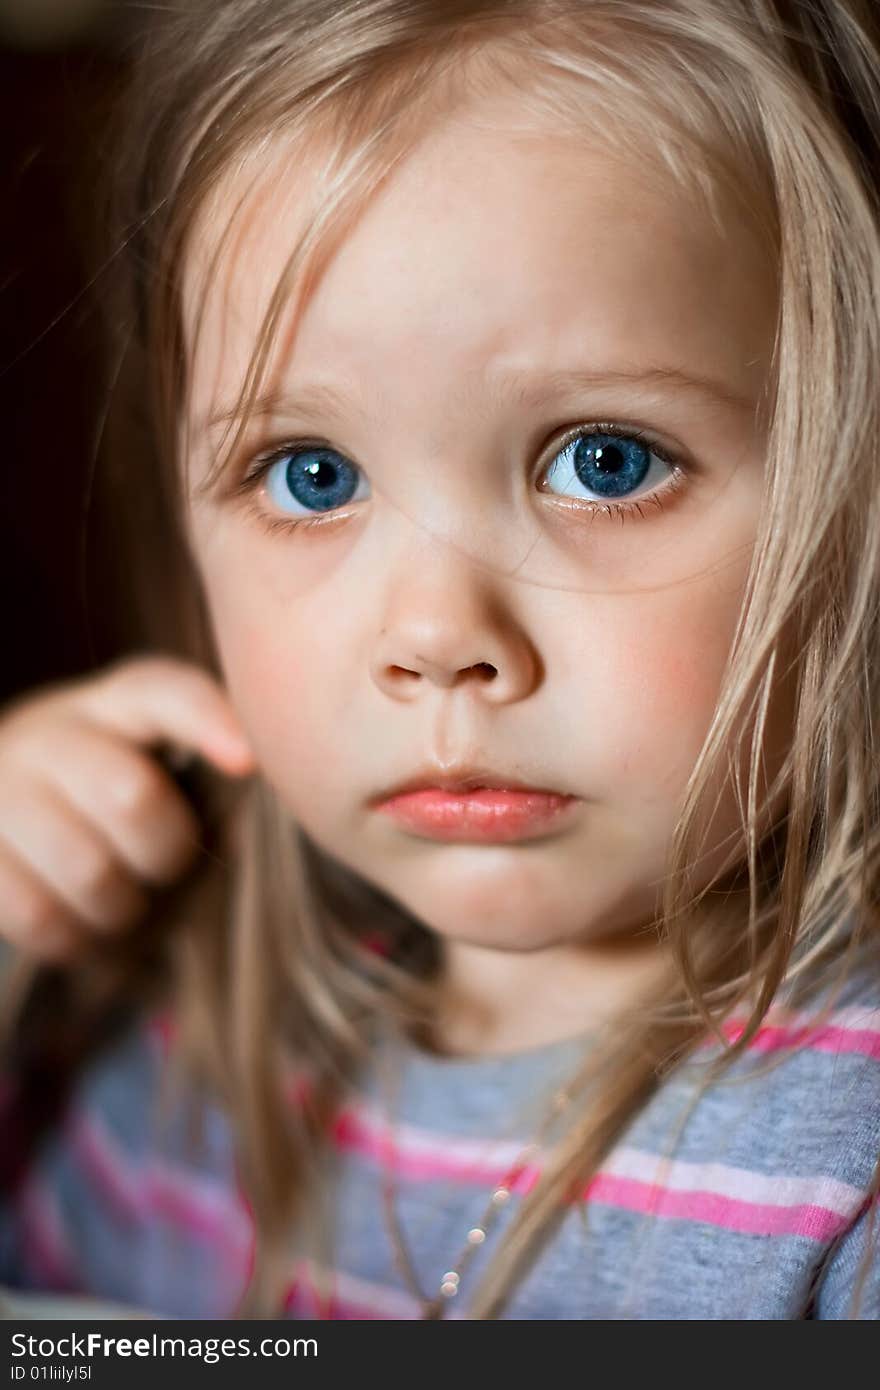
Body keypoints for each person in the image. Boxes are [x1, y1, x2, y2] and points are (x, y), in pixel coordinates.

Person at [0, 0, 879, 1320]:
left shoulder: (844, 1173)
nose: (435, 639)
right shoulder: (165, 1073)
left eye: (606, 461)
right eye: (311, 475)